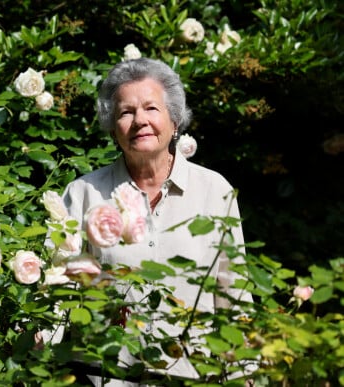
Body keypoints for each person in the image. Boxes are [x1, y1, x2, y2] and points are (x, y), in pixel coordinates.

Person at [61, 58, 253, 386]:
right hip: (105, 379)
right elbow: (58, 289)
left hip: (192, 378)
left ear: (174, 121)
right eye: (125, 112)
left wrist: (245, 373)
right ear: (112, 127)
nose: (139, 121)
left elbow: (233, 292)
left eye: (151, 108)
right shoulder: (82, 194)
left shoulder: (214, 190)